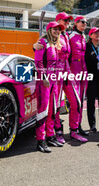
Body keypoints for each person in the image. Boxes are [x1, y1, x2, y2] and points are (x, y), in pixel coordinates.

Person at [33, 12, 87, 143]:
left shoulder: (67, 36)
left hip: (66, 74)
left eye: (69, 21)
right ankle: (56, 132)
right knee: (54, 106)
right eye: (65, 20)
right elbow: (42, 48)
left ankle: (74, 130)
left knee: (76, 102)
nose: (67, 23)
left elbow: (67, 57)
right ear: (57, 22)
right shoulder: (51, 37)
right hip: (53, 77)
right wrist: (34, 47)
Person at [35, 21, 64, 153]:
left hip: (55, 81)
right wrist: (44, 77)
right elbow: (38, 61)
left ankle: (50, 136)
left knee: (53, 110)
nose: (57, 31)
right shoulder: (43, 42)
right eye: (55, 29)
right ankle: (40, 141)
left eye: (59, 30)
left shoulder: (56, 43)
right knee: (43, 110)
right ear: (49, 29)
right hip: (44, 82)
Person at [69, 16, 89, 138]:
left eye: (86, 23)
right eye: (82, 22)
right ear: (76, 23)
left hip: (83, 72)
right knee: (75, 102)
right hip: (73, 71)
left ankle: (78, 125)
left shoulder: (83, 36)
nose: (84, 24)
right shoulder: (69, 35)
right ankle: (73, 129)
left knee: (81, 101)